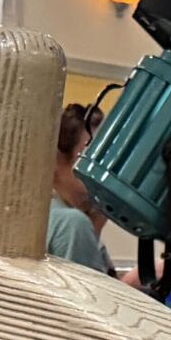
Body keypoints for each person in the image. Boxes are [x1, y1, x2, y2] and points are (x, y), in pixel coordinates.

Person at [46, 101, 116, 276]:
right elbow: (91, 293)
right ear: (56, 159)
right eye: (92, 158)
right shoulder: (72, 224)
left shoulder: (47, 216)